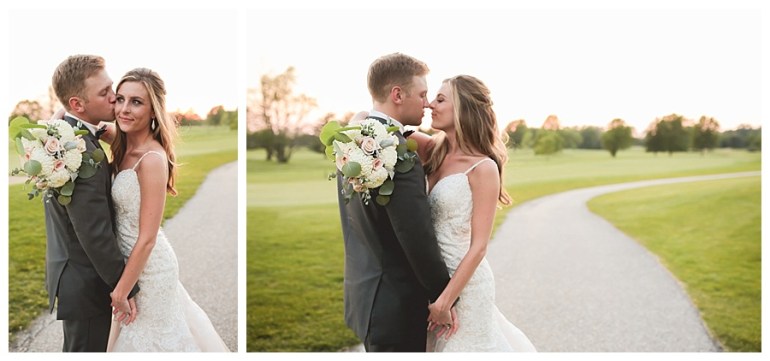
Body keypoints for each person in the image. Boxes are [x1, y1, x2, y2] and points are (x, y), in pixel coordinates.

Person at [337, 53, 457, 352]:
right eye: (422, 94)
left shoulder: (351, 141)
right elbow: (415, 236)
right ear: (397, 94)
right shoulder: (399, 155)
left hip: (365, 295)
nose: (427, 102)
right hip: (396, 306)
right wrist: (446, 297)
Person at [103, 68, 229, 352]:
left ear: (153, 111)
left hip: (150, 270)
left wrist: (122, 290)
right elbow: (86, 125)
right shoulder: (121, 143)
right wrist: (60, 121)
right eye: (120, 99)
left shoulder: (151, 159)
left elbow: (147, 238)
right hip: (128, 266)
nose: (124, 109)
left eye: (136, 102)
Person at [416, 75, 537, 351]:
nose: (430, 105)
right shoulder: (432, 148)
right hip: (431, 281)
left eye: (441, 99)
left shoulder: (483, 168)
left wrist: (446, 301)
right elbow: (380, 126)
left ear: (463, 108)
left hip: (466, 289)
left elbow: (479, 247)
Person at [45, 54, 139, 352]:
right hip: (86, 281)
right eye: (105, 93)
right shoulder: (80, 152)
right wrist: (124, 288)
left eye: (111, 88)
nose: (115, 99)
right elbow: (94, 232)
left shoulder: (67, 135)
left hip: (74, 274)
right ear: (77, 105)